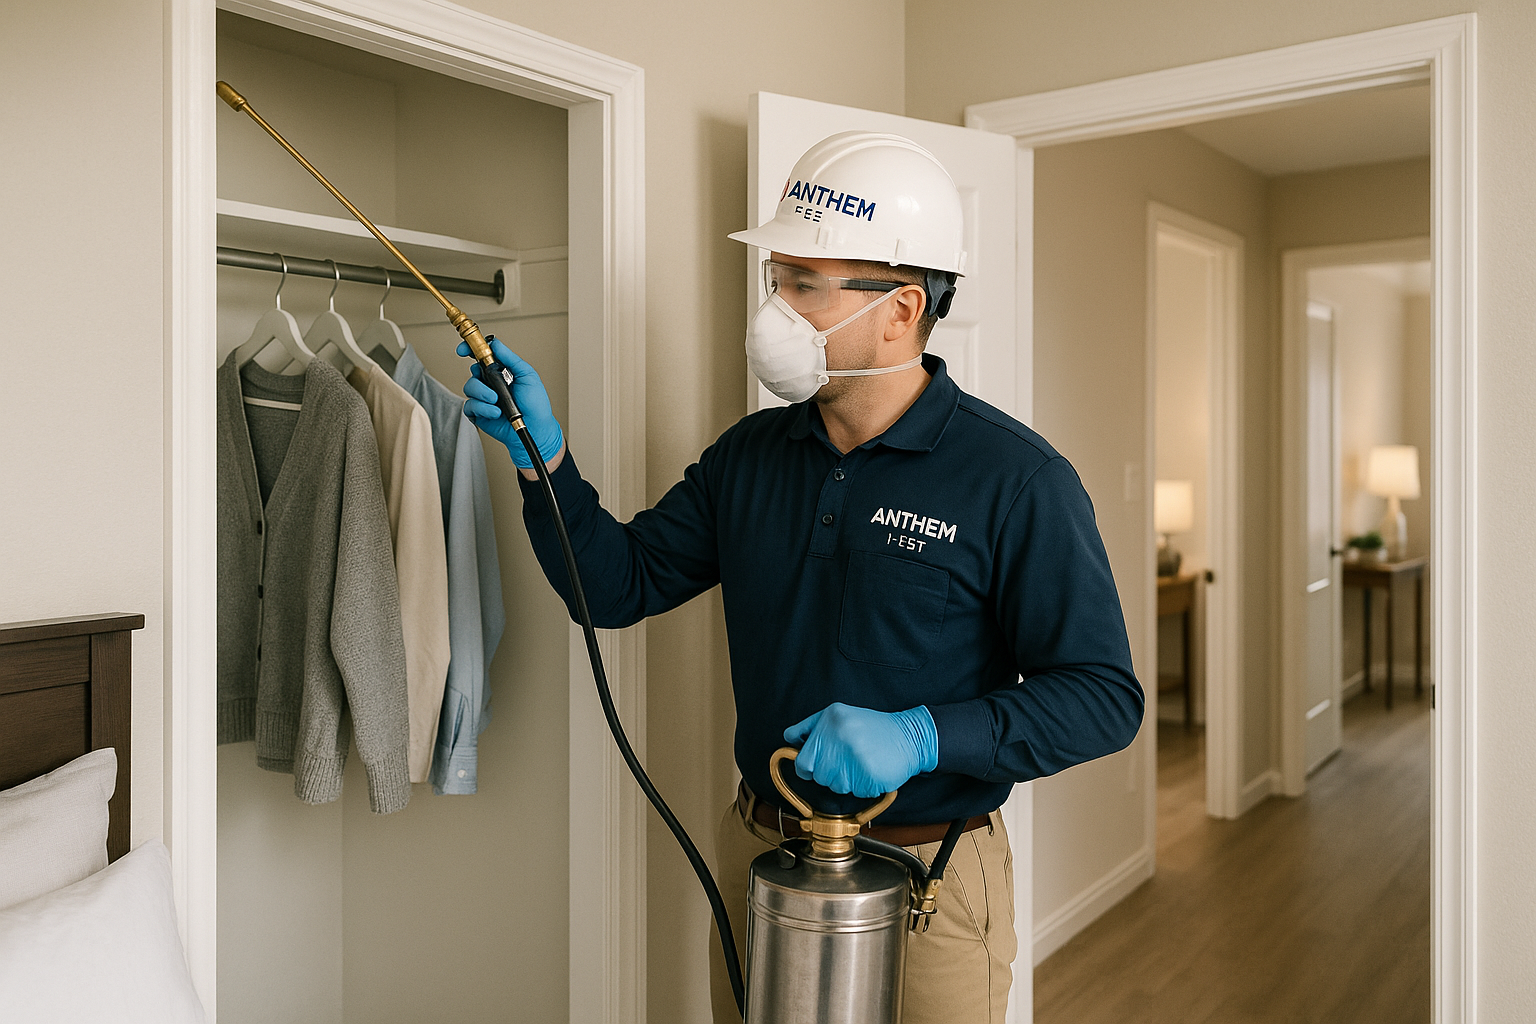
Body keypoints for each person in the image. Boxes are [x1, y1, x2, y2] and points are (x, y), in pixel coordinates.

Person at [459, 131, 1143, 1023]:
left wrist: (924, 736)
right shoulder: (750, 456)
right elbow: (619, 586)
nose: (774, 310)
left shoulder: (1017, 480)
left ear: (901, 309)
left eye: (805, 285)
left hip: (930, 879)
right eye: (776, 278)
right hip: (762, 855)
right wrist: (544, 462)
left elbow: (1102, 697)